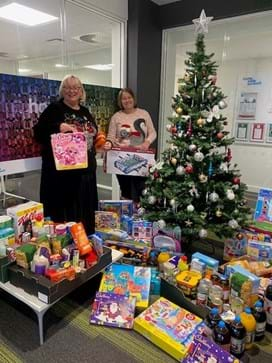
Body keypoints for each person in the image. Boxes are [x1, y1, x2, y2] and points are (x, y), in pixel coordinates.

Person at [33, 75, 98, 235]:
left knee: (85, 215)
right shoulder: (55, 109)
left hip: (86, 173)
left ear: (81, 91)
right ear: (62, 91)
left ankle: (86, 244)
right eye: (68, 87)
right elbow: (38, 133)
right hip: (63, 177)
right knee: (66, 218)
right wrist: (58, 126)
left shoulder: (85, 111)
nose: (72, 91)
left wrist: (101, 141)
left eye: (76, 87)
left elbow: (92, 135)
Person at [104, 88, 157, 203]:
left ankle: (141, 216)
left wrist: (147, 142)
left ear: (133, 98)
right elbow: (111, 136)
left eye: (129, 97)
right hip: (121, 158)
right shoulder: (116, 117)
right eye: (124, 98)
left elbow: (153, 133)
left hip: (141, 157)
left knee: (142, 189)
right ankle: (127, 215)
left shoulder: (144, 114)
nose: (127, 100)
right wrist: (108, 143)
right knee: (126, 190)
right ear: (120, 101)